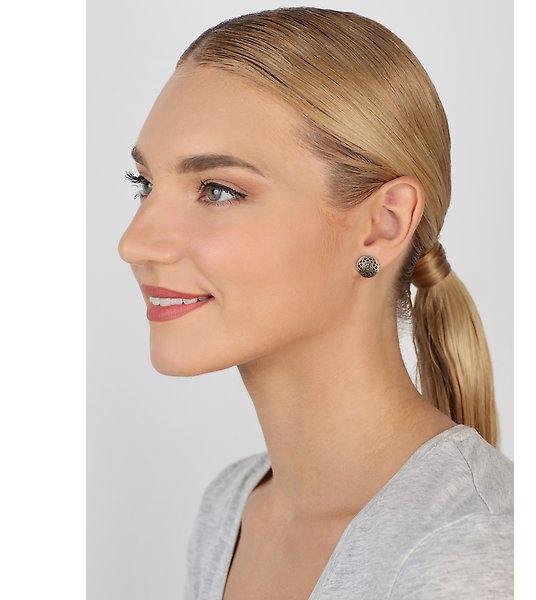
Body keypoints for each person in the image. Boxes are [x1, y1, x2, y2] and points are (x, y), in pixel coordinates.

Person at [118, 7, 513, 600]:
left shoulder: (470, 550)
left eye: (218, 190)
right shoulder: (232, 509)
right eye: (144, 185)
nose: (135, 243)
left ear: (382, 225)